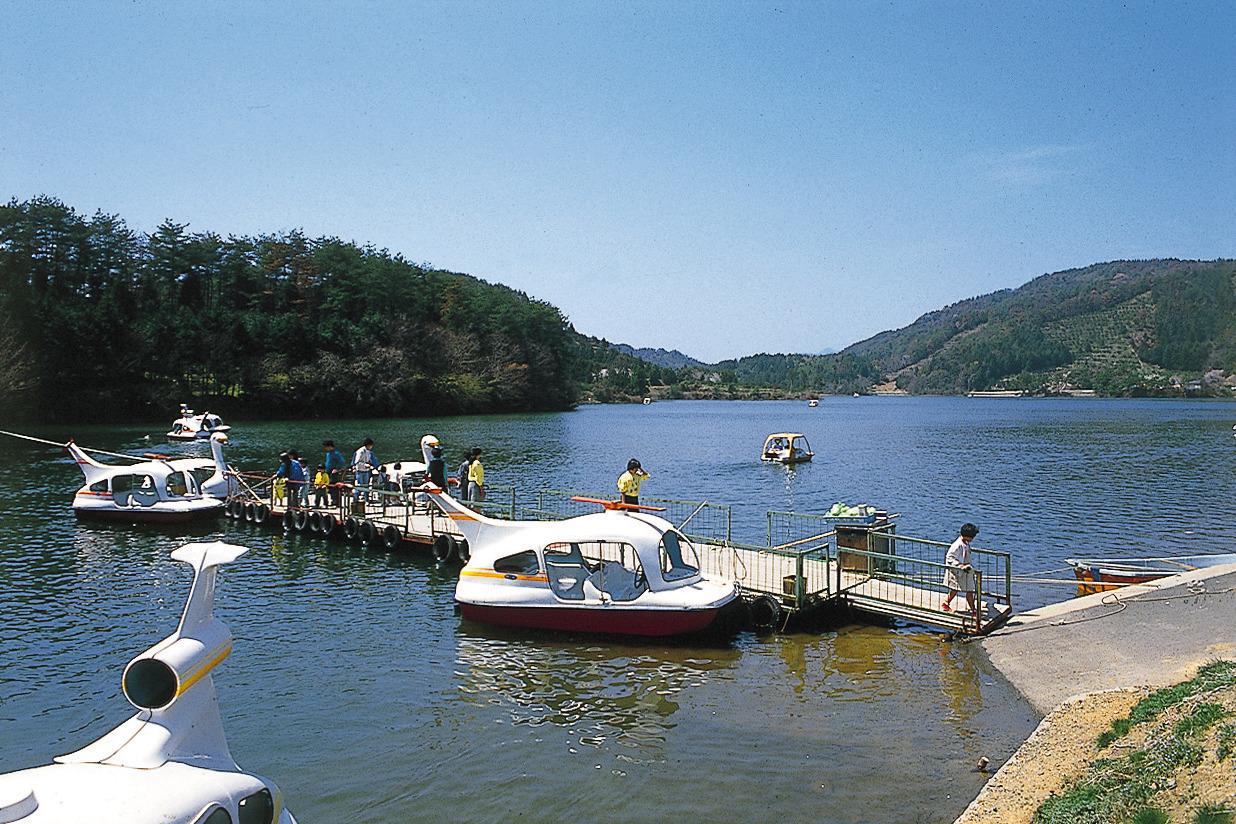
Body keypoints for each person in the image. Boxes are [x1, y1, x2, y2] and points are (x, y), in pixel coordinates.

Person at [942, 523, 980, 614]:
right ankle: (946, 603)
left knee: (969, 589)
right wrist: (960, 566)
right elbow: (949, 557)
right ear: (968, 536)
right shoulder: (957, 545)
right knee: (955, 589)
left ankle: (973, 608)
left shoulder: (965, 543)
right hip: (958, 571)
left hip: (966, 571)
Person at [352, 438, 378, 504]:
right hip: (360, 471)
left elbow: (369, 460)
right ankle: (355, 500)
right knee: (359, 486)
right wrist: (364, 465)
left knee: (366, 486)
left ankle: (367, 500)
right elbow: (356, 462)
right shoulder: (360, 451)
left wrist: (371, 465)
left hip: (366, 471)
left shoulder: (369, 452)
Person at [323, 440, 346, 505]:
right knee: (329, 487)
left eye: (326, 447)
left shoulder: (336, 453)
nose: (325, 448)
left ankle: (337, 501)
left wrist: (337, 469)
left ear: (330, 446)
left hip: (334, 473)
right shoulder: (328, 454)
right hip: (328, 472)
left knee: (335, 487)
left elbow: (342, 462)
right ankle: (333, 500)